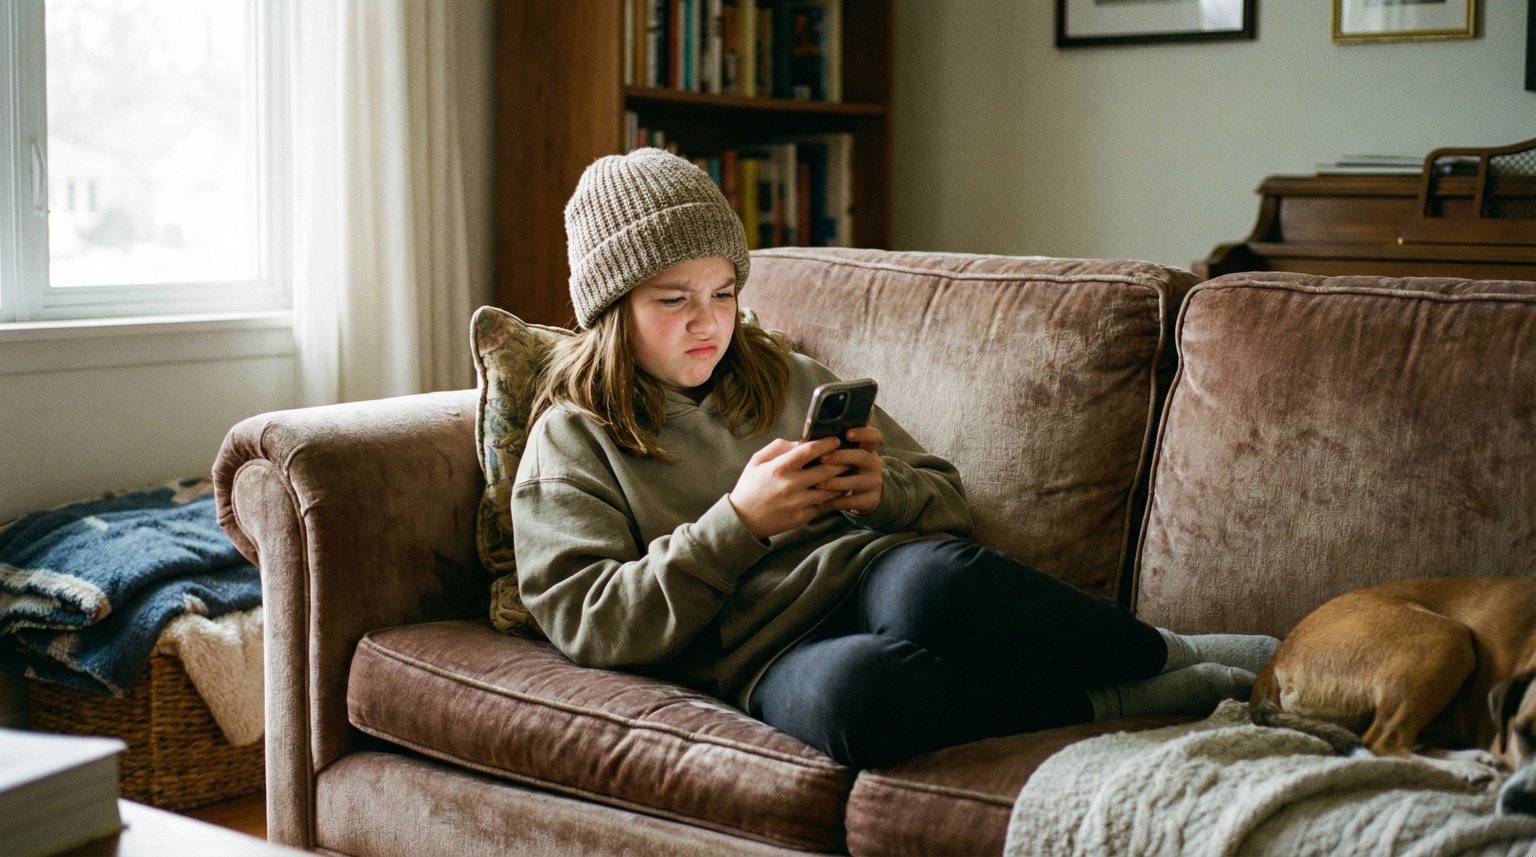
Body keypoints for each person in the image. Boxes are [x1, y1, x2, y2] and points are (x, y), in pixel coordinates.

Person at [512, 148, 1278, 769]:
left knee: (935, 582)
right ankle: (1136, 696)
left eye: (721, 292)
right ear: (611, 309)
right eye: (672, 300)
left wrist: (883, 492)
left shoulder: (781, 372)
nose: (708, 323)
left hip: (871, 571)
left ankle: (1171, 650)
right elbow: (591, 620)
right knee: (857, 701)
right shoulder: (572, 437)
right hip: (761, 651)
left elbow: (946, 497)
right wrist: (738, 523)